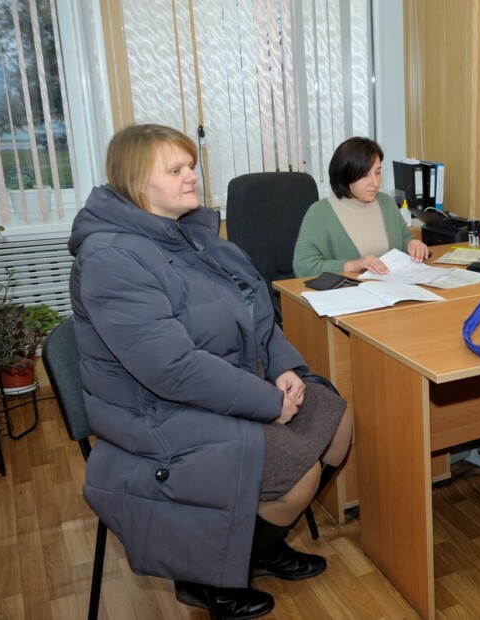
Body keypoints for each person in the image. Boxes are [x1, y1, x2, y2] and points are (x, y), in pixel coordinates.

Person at [68, 124, 354, 619]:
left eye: (191, 166)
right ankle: (210, 577)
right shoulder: (111, 258)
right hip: (157, 412)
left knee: (336, 418)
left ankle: (257, 547)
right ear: (136, 183)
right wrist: (268, 402)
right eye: (175, 170)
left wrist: (285, 367)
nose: (191, 177)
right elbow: (172, 369)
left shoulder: (195, 236)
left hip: (219, 387)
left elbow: (257, 313)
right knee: (298, 474)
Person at [292, 136, 428, 277]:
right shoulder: (320, 213)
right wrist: (352, 265)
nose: (375, 183)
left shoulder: (386, 203)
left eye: (377, 172)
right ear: (345, 176)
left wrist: (412, 245)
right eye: (364, 175)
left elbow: (405, 239)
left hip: (392, 286)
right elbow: (302, 266)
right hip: (349, 289)